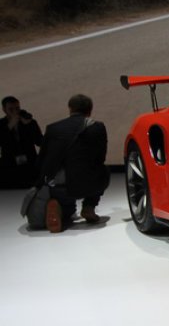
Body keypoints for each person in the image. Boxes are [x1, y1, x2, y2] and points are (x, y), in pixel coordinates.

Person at [38, 94, 109, 233]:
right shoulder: (97, 127)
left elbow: (42, 158)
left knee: (67, 208)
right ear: (90, 110)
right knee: (104, 171)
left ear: (70, 108)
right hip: (87, 184)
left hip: (57, 185)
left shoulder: (52, 128)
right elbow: (100, 157)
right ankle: (89, 206)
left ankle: (57, 205)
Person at [0, 96, 43, 188]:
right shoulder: (1, 124)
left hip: (30, 163)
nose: (15, 111)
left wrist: (29, 125)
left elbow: (39, 142)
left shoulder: (30, 122)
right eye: (11, 109)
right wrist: (9, 127)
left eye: (17, 108)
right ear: (4, 110)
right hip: (10, 166)